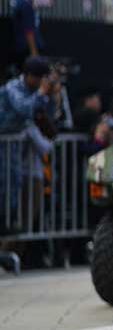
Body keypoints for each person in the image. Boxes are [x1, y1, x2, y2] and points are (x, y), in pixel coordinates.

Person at [0, 57, 57, 222]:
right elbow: (24, 109)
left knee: (14, 183)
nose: (41, 82)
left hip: (14, 145)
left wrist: (52, 96)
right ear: (29, 75)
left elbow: (48, 115)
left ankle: (8, 222)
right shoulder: (13, 87)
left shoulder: (36, 92)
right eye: (39, 77)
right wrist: (40, 93)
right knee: (4, 183)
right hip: (3, 140)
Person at [8, 0, 41, 73]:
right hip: (25, 48)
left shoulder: (15, 1)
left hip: (17, 46)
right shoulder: (25, 4)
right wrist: (34, 53)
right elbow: (28, 30)